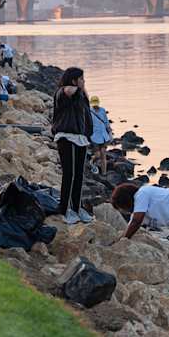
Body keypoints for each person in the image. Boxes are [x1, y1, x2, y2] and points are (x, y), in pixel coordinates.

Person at [52, 67, 94, 224]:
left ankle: (77, 208)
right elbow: (69, 91)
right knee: (69, 174)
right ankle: (65, 210)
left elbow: (86, 112)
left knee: (78, 175)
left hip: (80, 138)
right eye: (82, 79)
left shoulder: (81, 95)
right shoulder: (63, 92)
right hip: (67, 137)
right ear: (74, 80)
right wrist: (79, 87)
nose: (84, 82)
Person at [88, 96, 113, 174]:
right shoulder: (89, 112)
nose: (95, 105)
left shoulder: (102, 110)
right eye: (94, 104)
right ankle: (91, 161)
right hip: (94, 136)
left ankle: (104, 173)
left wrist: (110, 133)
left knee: (103, 155)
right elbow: (87, 124)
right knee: (98, 155)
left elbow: (106, 122)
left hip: (103, 136)